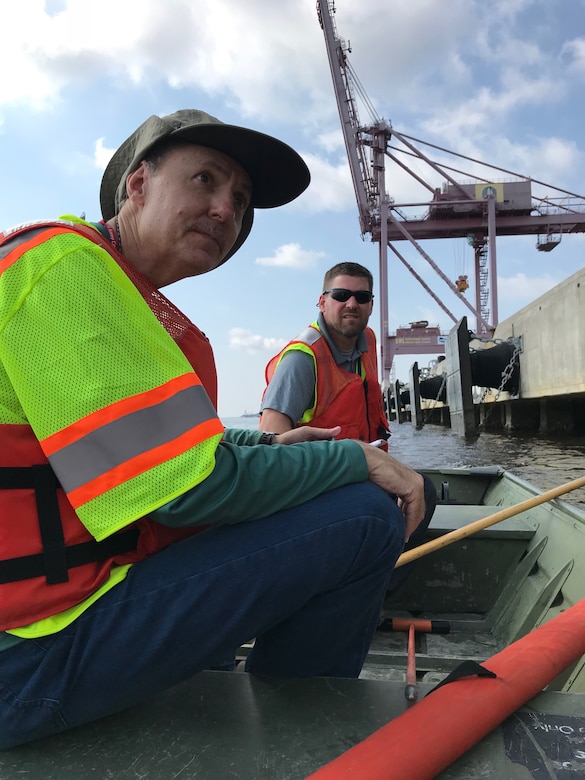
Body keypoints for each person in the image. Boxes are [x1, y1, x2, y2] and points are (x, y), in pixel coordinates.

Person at [0, 110, 425, 751]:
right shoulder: (65, 273)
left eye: (241, 199)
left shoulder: (103, 285)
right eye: (204, 180)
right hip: (26, 657)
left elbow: (175, 454)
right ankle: (293, 745)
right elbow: (186, 490)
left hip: (38, 626)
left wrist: (264, 443)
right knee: (365, 515)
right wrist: (355, 460)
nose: (225, 210)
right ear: (137, 185)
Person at [259, 261, 437, 595]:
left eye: (361, 296)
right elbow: (269, 444)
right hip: (313, 485)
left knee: (421, 490)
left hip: (356, 472)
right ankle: (357, 594)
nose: (351, 303)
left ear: (371, 304)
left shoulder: (365, 341)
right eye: (341, 295)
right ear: (322, 301)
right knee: (393, 502)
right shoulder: (302, 360)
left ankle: (372, 590)